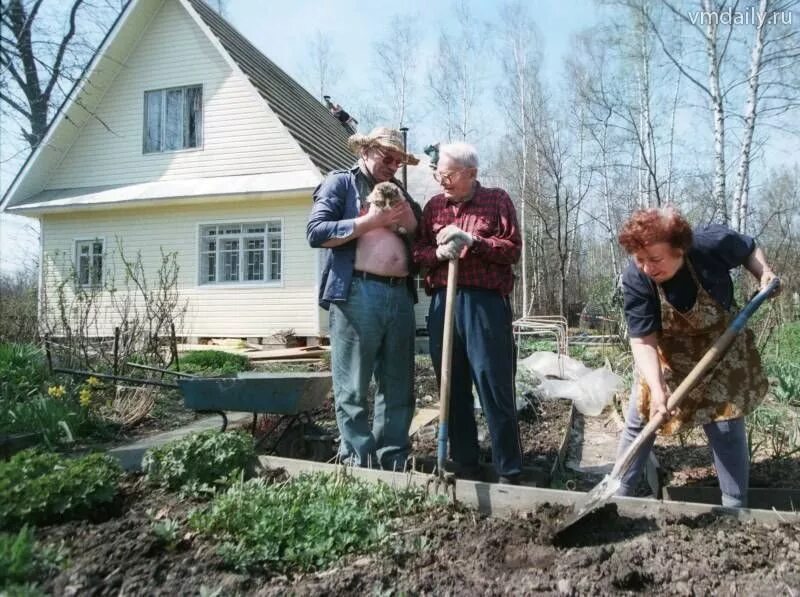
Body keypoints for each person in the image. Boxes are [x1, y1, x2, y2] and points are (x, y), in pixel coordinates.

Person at [615, 206, 780, 507]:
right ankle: (616, 498)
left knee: (726, 424)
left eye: (655, 259)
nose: (648, 268)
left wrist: (763, 271)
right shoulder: (636, 278)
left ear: (680, 249)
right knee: (641, 418)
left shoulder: (711, 244)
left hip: (720, 350)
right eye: (640, 259)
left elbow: (748, 248)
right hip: (668, 355)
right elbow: (643, 340)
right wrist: (657, 387)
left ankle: (734, 507)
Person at [306, 127, 422, 470]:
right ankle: (358, 462)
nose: (393, 166)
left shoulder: (402, 194)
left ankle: (393, 461)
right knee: (353, 386)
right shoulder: (340, 183)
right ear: (366, 151)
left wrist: (414, 226)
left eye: (398, 161)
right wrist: (368, 222)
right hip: (357, 292)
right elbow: (316, 232)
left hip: (400, 296)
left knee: (399, 385)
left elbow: (423, 241)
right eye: (387, 158)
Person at [412, 142, 524, 484]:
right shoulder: (433, 207)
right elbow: (417, 252)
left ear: (471, 174)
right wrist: (439, 253)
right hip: (442, 301)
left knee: (493, 383)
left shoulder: (496, 200)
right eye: (438, 174)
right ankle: (464, 463)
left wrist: (474, 242)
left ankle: (510, 470)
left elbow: (512, 249)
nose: (441, 180)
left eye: (447, 174)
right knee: (450, 383)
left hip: (484, 304)